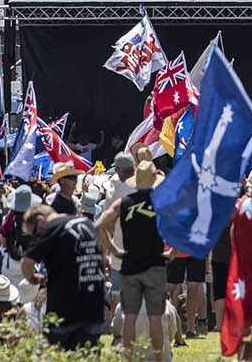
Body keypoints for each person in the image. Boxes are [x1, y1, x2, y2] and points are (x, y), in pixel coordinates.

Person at [96, 150, 167, 359]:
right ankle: (159, 358)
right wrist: (170, 251)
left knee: (129, 317)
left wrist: (114, 249)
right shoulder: (162, 203)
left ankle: (127, 357)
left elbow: (100, 225)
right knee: (156, 317)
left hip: (129, 264)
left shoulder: (123, 202)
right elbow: (179, 227)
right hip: (155, 263)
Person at [21, 203, 108, 349]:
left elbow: (26, 262)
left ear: (40, 220)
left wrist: (33, 279)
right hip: (95, 306)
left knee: (57, 354)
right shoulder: (87, 223)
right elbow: (103, 254)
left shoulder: (51, 227)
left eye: (34, 234)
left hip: (64, 309)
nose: (35, 238)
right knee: (88, 355)